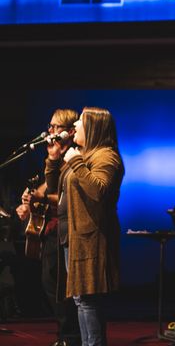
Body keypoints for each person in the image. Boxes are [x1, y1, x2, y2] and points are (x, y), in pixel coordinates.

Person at [45, 107, 124, 346]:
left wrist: (76, 162)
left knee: (88, 300)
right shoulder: (83, 154)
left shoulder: (106, 157)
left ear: (93, 128)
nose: (75, 126)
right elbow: (54, 190)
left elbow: (98, 191)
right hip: (73, 235)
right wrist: (54, 158)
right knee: (81, 300)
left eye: (80, 122)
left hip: (91, 237)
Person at [16, 109, 81, 346]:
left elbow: (63, 196)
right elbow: (48, 188)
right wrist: (30, 200)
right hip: (51, 230)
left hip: (66, 231)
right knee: (51, 284)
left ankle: (71, 337)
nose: (50, 132)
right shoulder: (56, 158)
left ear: (69, 132)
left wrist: (40, 199)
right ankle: (66, 336)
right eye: (50, 126)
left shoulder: (75, 158)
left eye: (55, 127)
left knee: (58, 286)